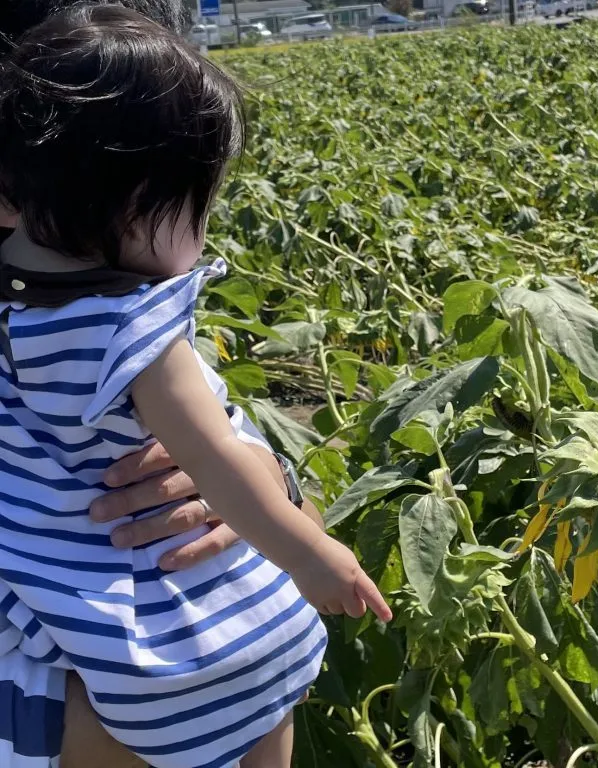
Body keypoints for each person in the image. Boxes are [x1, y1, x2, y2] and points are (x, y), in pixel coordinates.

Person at [0, 5, 390, 767]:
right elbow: (217, 455)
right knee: (269, 690)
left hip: (95, 644)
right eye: (199, 208)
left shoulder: (21, 306)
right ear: (140, 203)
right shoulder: (134, 324)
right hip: (200, 656)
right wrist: (313, 553)